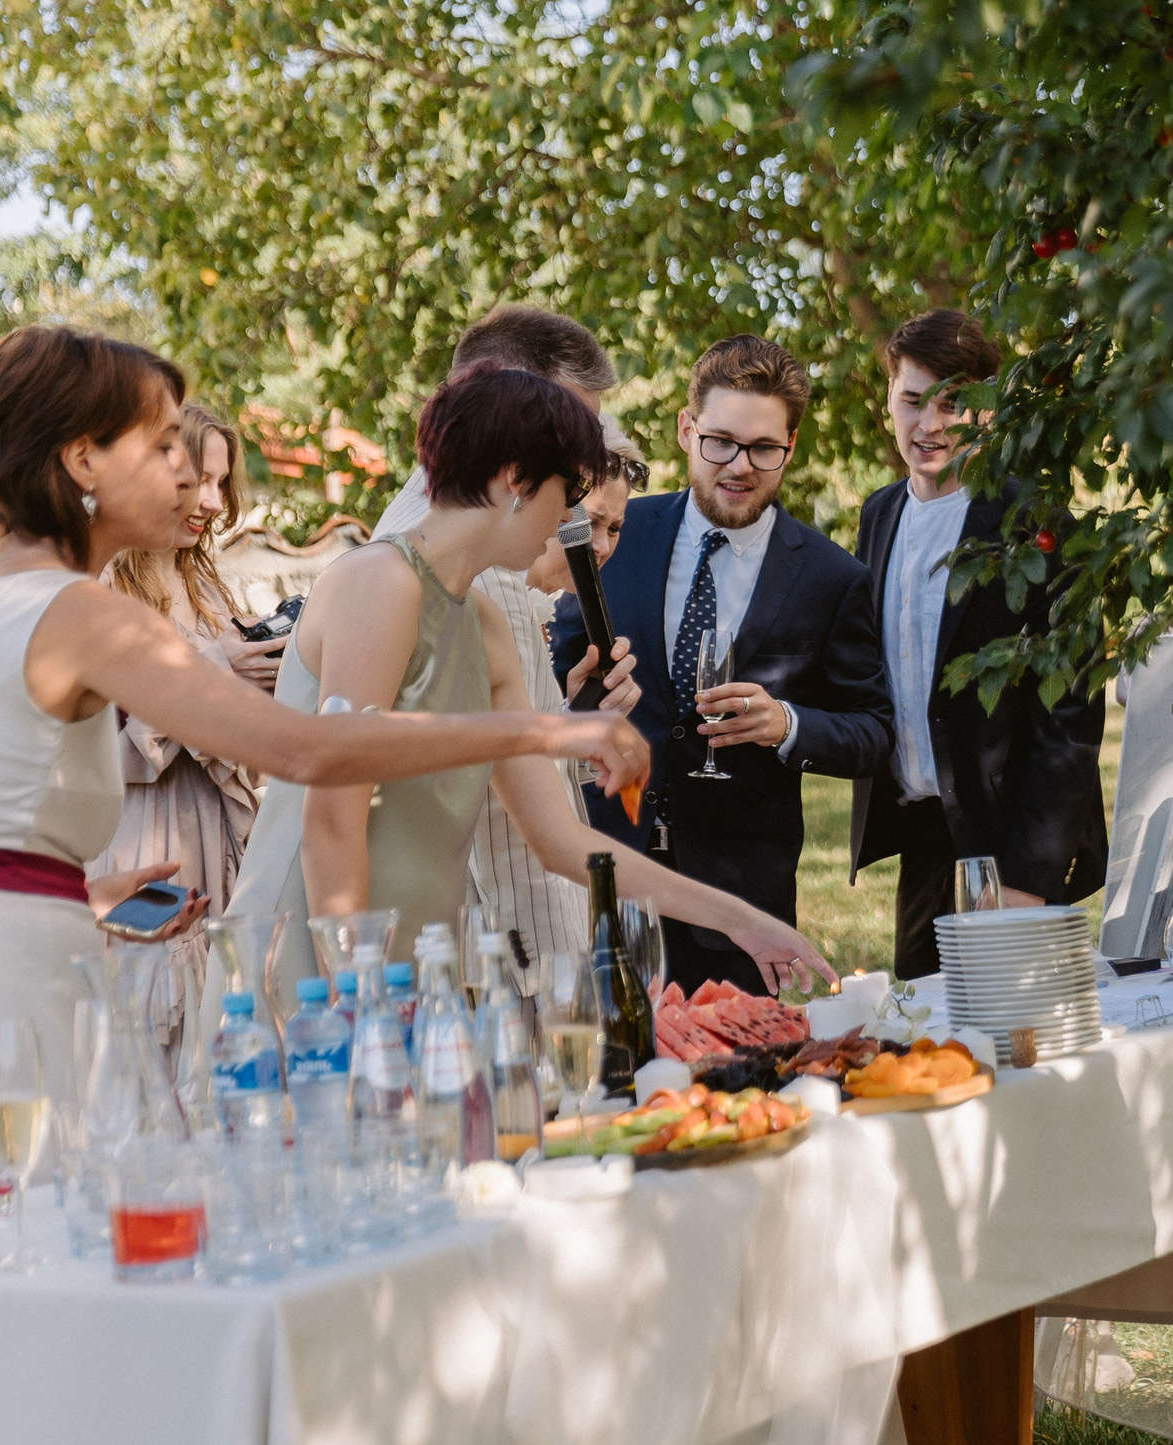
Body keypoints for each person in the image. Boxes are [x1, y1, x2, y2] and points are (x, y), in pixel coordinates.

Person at [0, 325, 648, 1173]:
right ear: (82, 460)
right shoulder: (81, 611)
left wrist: (73, 893)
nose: (188, 473)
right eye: (160, 446)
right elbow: (307, 749)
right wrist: (549, 729)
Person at [232, 363, 831, 994]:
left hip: (407, 974)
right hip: (314, 971)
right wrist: (356, 998)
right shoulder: (379, 583)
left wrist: (742, 922)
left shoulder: (484, 621)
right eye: (568, 493)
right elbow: (331, 823)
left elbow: (561, 841)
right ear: (517, 480)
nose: (570, 520)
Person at [551, 335, 893, 992]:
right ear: (687, 430)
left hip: (742, 907)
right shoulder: (613, 531)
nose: (740, 466)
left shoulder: (832, 578)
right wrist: (577, 704)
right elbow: (562, 671)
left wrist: (787, 723)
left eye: (764, 448)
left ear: (790, 446)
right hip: (607, 877)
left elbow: (873, 732)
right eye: (721, 442)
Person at [849, 310, 1107, 977]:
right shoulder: (878, 515)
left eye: (953, 404)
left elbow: (1072, 718)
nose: (930, 424)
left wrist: (1027, 876)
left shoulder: (1039, 523)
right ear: (888, 400)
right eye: (912, 401)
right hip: (921, 834)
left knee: (1019, 1031)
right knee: (920, 1028)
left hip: (1008, 836)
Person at [376, 305, 626, 969]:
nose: (580, 484)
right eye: (568, 444)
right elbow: (512, 835)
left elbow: (485, 746)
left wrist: (570, 717)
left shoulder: (426, 529)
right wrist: (560, 973)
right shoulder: (477, 569)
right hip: (488, 946)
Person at [91, 401, 284, 1049]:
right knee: (155, 1033)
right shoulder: (106, 589)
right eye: (200, 480)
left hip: (221, 840)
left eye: (221, 483)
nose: (212, 501)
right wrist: (217, 668)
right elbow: (109, 745)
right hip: (147, 840)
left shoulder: (211, 592)